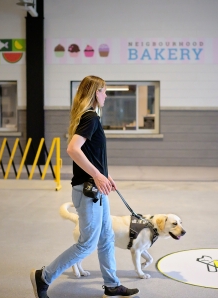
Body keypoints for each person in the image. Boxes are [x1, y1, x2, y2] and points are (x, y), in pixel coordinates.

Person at [30, 75, 140, 298]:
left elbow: (91, 154)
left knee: (106, 237)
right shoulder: (90, 117)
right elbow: (73, 149)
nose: (106, 95)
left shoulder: (88, 117)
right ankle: (44, 276)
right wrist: (98, 175)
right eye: (104, 91)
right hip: (87, 191)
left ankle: (112, 286)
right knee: (87, 244)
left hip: (97, 188)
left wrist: (105, 176)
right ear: (95, 93)